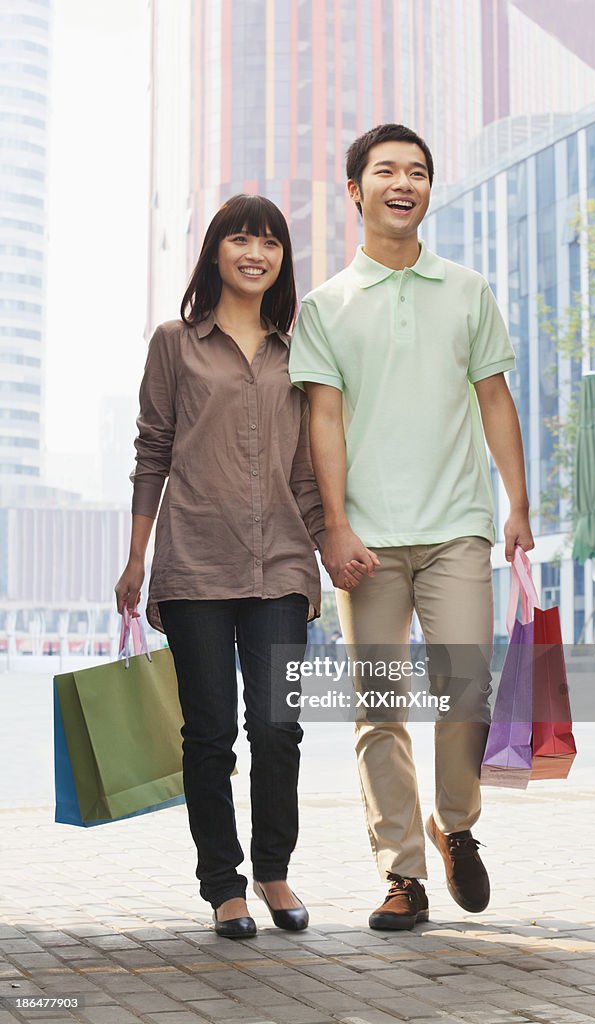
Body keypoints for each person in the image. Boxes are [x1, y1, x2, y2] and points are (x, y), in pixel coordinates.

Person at [289, 123, 535, 931]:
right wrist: (333, 526)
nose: (405, 182)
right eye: (387, 171)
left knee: (465, 690)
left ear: (429, 191)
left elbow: (495, 401)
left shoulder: (466, 290)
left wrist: (517, 507)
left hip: (457, 526)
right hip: (365, 538)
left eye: (420, 172)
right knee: (378, 707)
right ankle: (402, 874)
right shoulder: (325, 306)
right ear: (354, 191)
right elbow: (322, 419)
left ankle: (455, 825)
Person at [115, 195, 326, 939]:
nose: (255, 252)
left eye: (269, 242)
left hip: (282, 568)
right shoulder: (175, 343)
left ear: (281, 260)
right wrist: (136, 556)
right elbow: (152, 452)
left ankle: (273, 870)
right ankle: (223, 886)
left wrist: (326, 554)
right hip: (196, 563)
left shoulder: (299, 349)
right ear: (215, 252)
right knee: (208, 736)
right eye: (240, 238)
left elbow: (307, 470)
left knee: (277, 727)